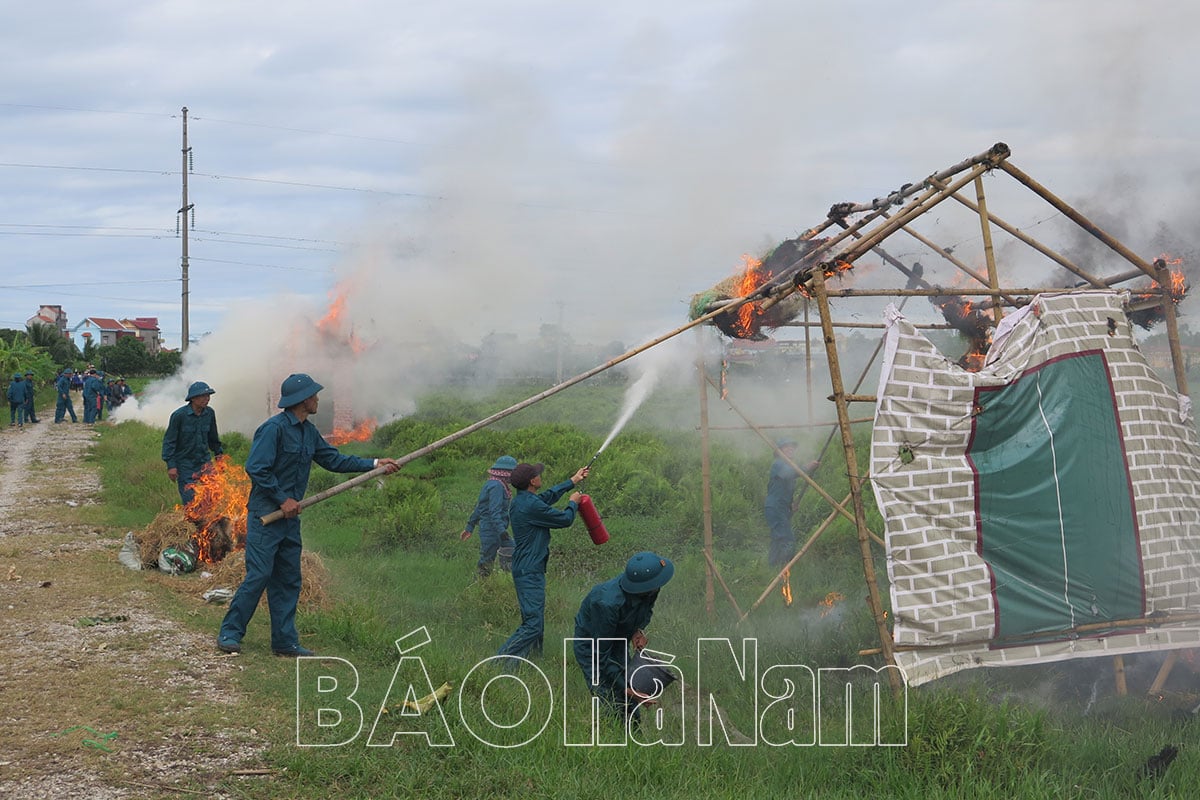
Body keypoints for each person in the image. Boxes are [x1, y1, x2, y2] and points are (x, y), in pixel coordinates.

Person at [217, 373, 399, 657]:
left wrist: (375, 464)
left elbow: (334, 459)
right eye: (314, 395)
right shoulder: (273, 429)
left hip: (289, 519)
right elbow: (256, 468)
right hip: (266, 515)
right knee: (260, 575)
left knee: (289, 578)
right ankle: (230, 632)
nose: (317, 399)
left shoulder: (308, 432)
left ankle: (284, 642)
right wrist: (282, 498)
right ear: (302, 400)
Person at [495, 460, 589, 665]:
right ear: (532, 481)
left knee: (534, 621)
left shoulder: (523, 501)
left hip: (526, 568)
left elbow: (546, 497)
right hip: (529, 571)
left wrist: (572, 481)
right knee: (533, 625)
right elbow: (565, 519)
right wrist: (573, 502)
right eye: (538, 474)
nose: (540, 475)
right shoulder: (530, 506)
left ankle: (529, 663)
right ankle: (497, 663)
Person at [573, 551, 675, 724]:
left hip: (618, 640)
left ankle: (633, 733)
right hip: (593, 647)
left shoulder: (650, 589)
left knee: (629, 702)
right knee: (608, 697)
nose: (658, 588)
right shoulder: (607, 603)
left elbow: (646, 611)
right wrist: (628, 689)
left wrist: (637, 631)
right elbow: (601, 656)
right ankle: (607, 736)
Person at [161, 381, 224, 505]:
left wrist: (219, 455)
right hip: (185, 464)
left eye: (208, 396)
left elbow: (213, 438)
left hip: (204, 461)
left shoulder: (209, 413)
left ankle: (209, 520)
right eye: (204, 396)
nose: (207, 399)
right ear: (193, 398)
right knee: (190, 499)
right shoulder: (179, 416)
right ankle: (194, 522)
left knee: (214, 493)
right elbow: (169, 441)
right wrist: (171, 465)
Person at [764, 439, 819, 568]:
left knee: (778, 540)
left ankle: (773, 568)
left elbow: (784, 489)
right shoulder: (778, 464)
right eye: (786, 447)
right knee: (786, 539)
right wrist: (807, 467)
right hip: (775, 507)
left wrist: (791, 505)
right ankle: (785, 569)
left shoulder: (788, 466)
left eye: (792, 447)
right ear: (779, 451)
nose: (790, 449)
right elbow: (790, 473)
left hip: (782, 507)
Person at [460, 454, 518, 579]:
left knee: (513, 550)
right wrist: (502, 531)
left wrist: (469, 527)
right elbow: (494, 511)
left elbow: (479, 508)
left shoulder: (493, 483)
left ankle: (509, 580)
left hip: (496, 529)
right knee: (487, 559)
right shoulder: (496, 487)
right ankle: (481, 583)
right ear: (505, 473)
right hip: (491, 530)